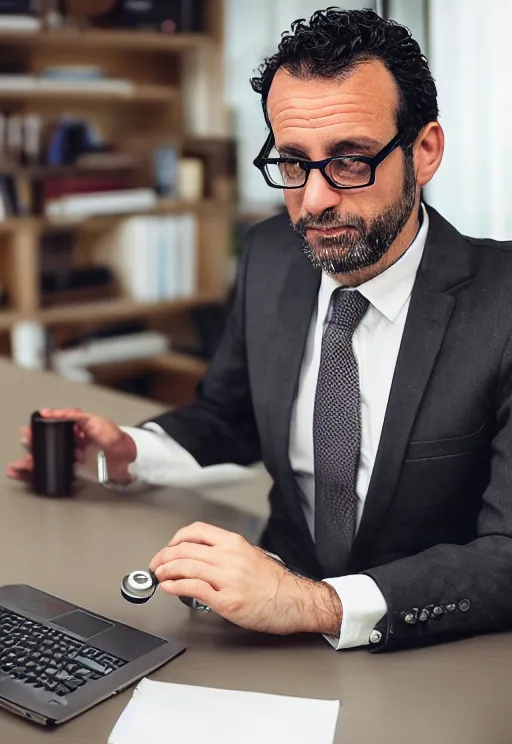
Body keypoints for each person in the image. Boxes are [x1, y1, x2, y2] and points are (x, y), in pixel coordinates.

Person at [8, 8, 512, 652]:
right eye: (293, 161)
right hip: (263, 627)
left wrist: (318, 603)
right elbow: (231, 413)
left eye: (352, 160)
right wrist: (132, 451)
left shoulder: (500, 307)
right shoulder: (273, 252)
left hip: (434, 652)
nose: (317, 199)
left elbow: (504, 558)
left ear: (425, 151)